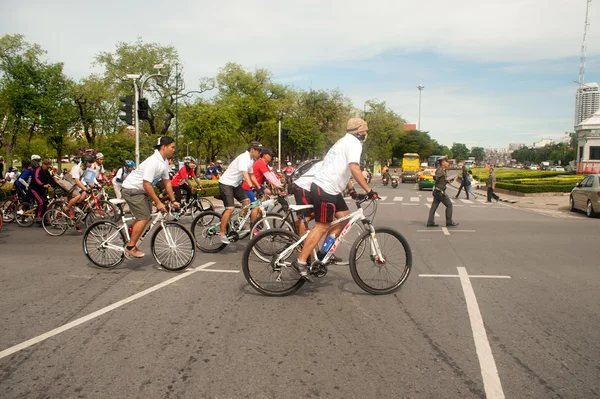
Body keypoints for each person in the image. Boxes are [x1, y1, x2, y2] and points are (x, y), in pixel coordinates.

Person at [292, 117, 378, 282]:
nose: (366, 135)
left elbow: (341, 171)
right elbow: (354, 168)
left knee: (344, 217)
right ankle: (301, 261)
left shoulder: (343, 141)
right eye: (365, 132)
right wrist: (369, 190)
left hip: (331, 189)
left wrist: (353, 192)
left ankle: (323, 254)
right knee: (322, 226)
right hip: (325, 189)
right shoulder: (353, 143)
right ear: (360, 132)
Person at [121, 136, 179, 258]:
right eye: (172, 147)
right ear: (164, 147)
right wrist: (158, 202)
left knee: (146, 217)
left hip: (141, 191)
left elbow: (167, 182)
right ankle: (130, 247)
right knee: (144, 217)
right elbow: (146, 184)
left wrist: (173, 200)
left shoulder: (163, 162)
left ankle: (133, 228)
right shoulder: (153, 162)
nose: (174, 149)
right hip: (132, 190)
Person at [217, 141, 263, 244]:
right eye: (259, 151)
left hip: (235, 184)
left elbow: (251, 175)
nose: (260, 153)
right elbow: (244, 173)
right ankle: (222, 233)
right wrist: (251, 186)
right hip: (226, 184)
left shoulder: (250, 160)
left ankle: (239, 223)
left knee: (246, 202)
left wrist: (259, 187)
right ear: (252, 150)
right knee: (230, 209)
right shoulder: (244, 157)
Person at [291, 161, 323, 236]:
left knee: (317, 212)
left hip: (310, 189)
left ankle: (296, 225)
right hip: (303, 187)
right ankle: (302, 245)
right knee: (306, 217)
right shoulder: (328, 164)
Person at [64, 154, 97, 223]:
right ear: (85, 162)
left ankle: (75, 207)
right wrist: (85, 188)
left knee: (84, 195)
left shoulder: (86, 169)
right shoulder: (76, 168)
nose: (91, 165)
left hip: (75, 186)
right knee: (77, 196)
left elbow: (87, 180)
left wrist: (94, 185)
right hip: (69, 185)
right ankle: (67, 208)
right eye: (89, 163)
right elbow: (77, 181)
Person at [427, 157, 459, 228]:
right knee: (449, 205)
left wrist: (448, 181)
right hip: (440, 192)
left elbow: (441, 180)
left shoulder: (442, 170)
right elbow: (436, 178)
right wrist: (433, 175)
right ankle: (449, 222)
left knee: (434, 207)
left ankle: (430, 222)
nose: (448, 164)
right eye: (447, 162)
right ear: (443, 162)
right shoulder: (440, 170)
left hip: (437, 191)